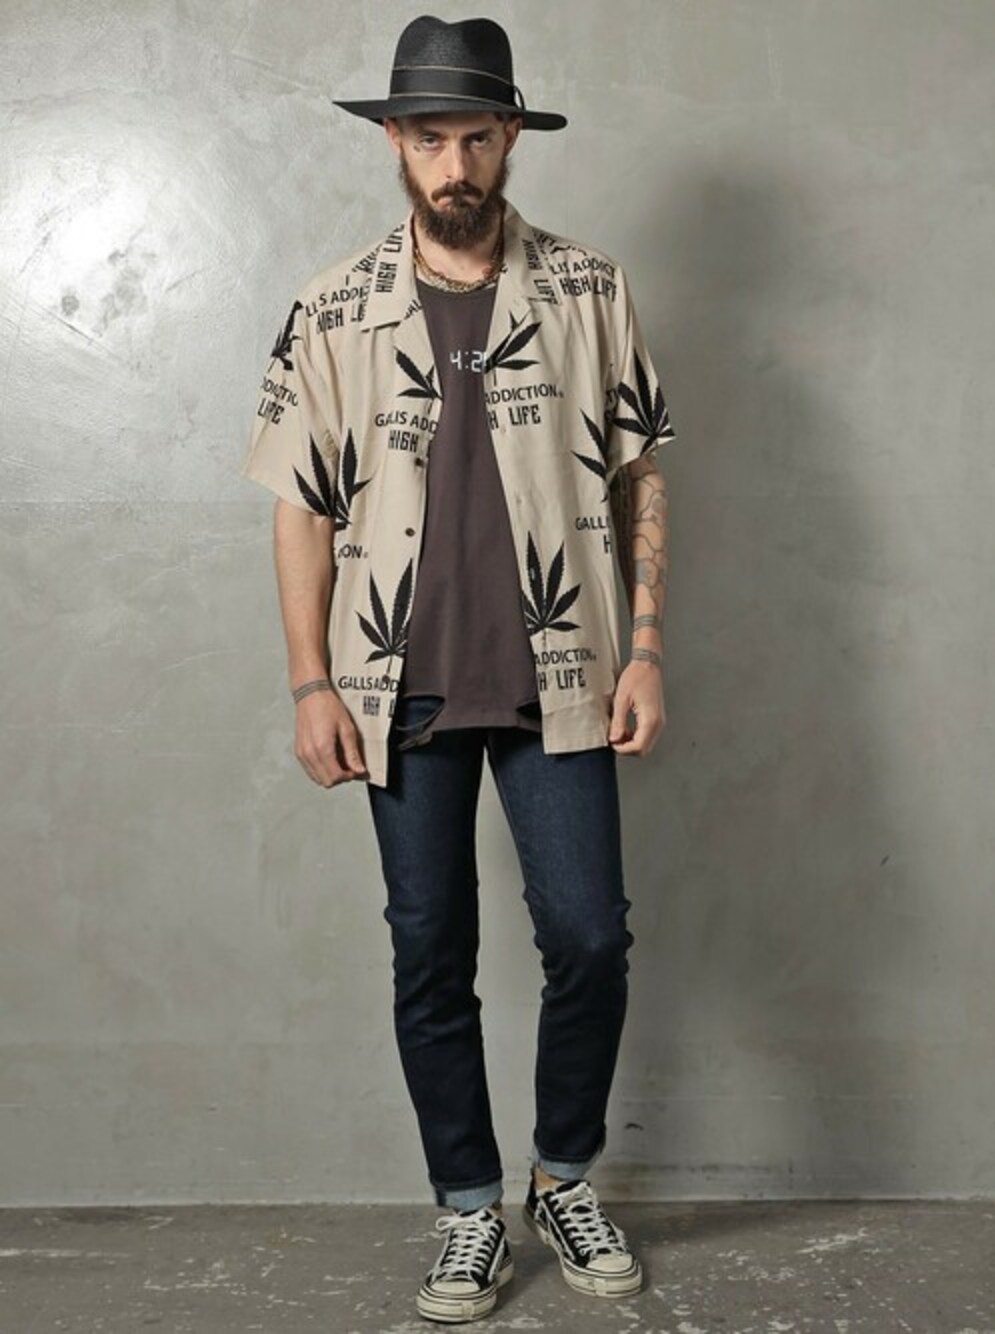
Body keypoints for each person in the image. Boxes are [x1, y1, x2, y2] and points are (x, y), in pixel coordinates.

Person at [241, 14, 677, 1325]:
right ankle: (468, 1207)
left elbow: (641, 471)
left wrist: (647, 646)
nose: (454, 165)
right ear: (394, 141)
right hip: (398, 688)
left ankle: (563, 1174)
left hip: (564, 672)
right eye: (429, 139)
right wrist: (310, 681)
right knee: (430, 951)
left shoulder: (589, 290)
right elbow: (300, 505)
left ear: (510, 137)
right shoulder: (333, 307)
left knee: (589, 937)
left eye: (476, 138)